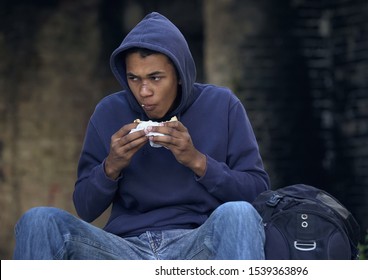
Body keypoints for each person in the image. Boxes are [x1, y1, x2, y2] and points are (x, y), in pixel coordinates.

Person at [13, 12, 270, 260]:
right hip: (123, 249)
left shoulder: (221, 104)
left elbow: (257, 194)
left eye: (155, 78)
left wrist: (197, 161)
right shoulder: (109, 111)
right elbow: (85, 208)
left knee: (238, 214)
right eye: (133, 79)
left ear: (180, 76)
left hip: (198, 243)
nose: (144, 91)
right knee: (38, 220)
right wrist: (111, 167)